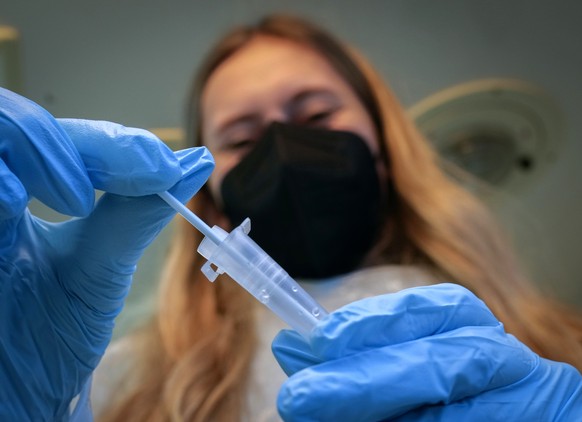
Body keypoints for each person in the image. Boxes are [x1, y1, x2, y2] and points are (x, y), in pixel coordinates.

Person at [1, 14, 581, 422]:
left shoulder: (557, 354)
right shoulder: (126, 385)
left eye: (317, 113)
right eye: (242, 137)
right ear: (211, 195)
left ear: (386, 146)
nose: (283, 145)